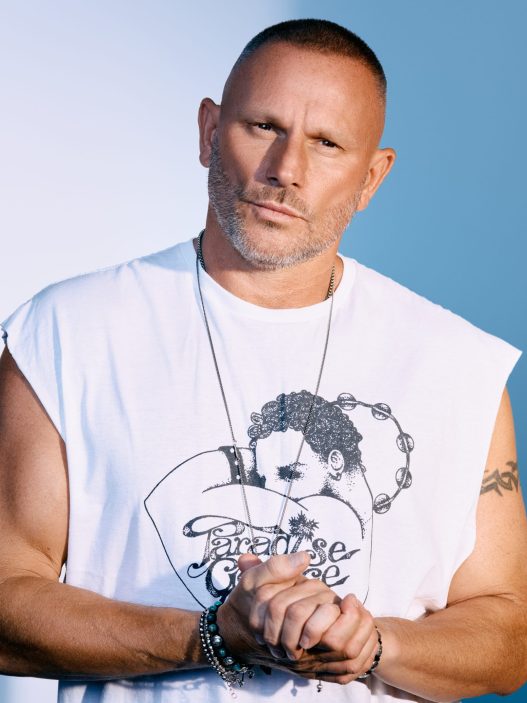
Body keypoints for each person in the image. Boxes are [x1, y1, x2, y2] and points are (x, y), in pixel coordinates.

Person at [0, 17, 526, 703]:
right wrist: (212, 636)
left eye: (326, 143)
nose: (286, 170)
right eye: (262, 126)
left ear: (371, 176)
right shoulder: (65, 334)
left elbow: (508, 636)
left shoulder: (458, 368)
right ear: (209, 131)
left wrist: (372, 645)